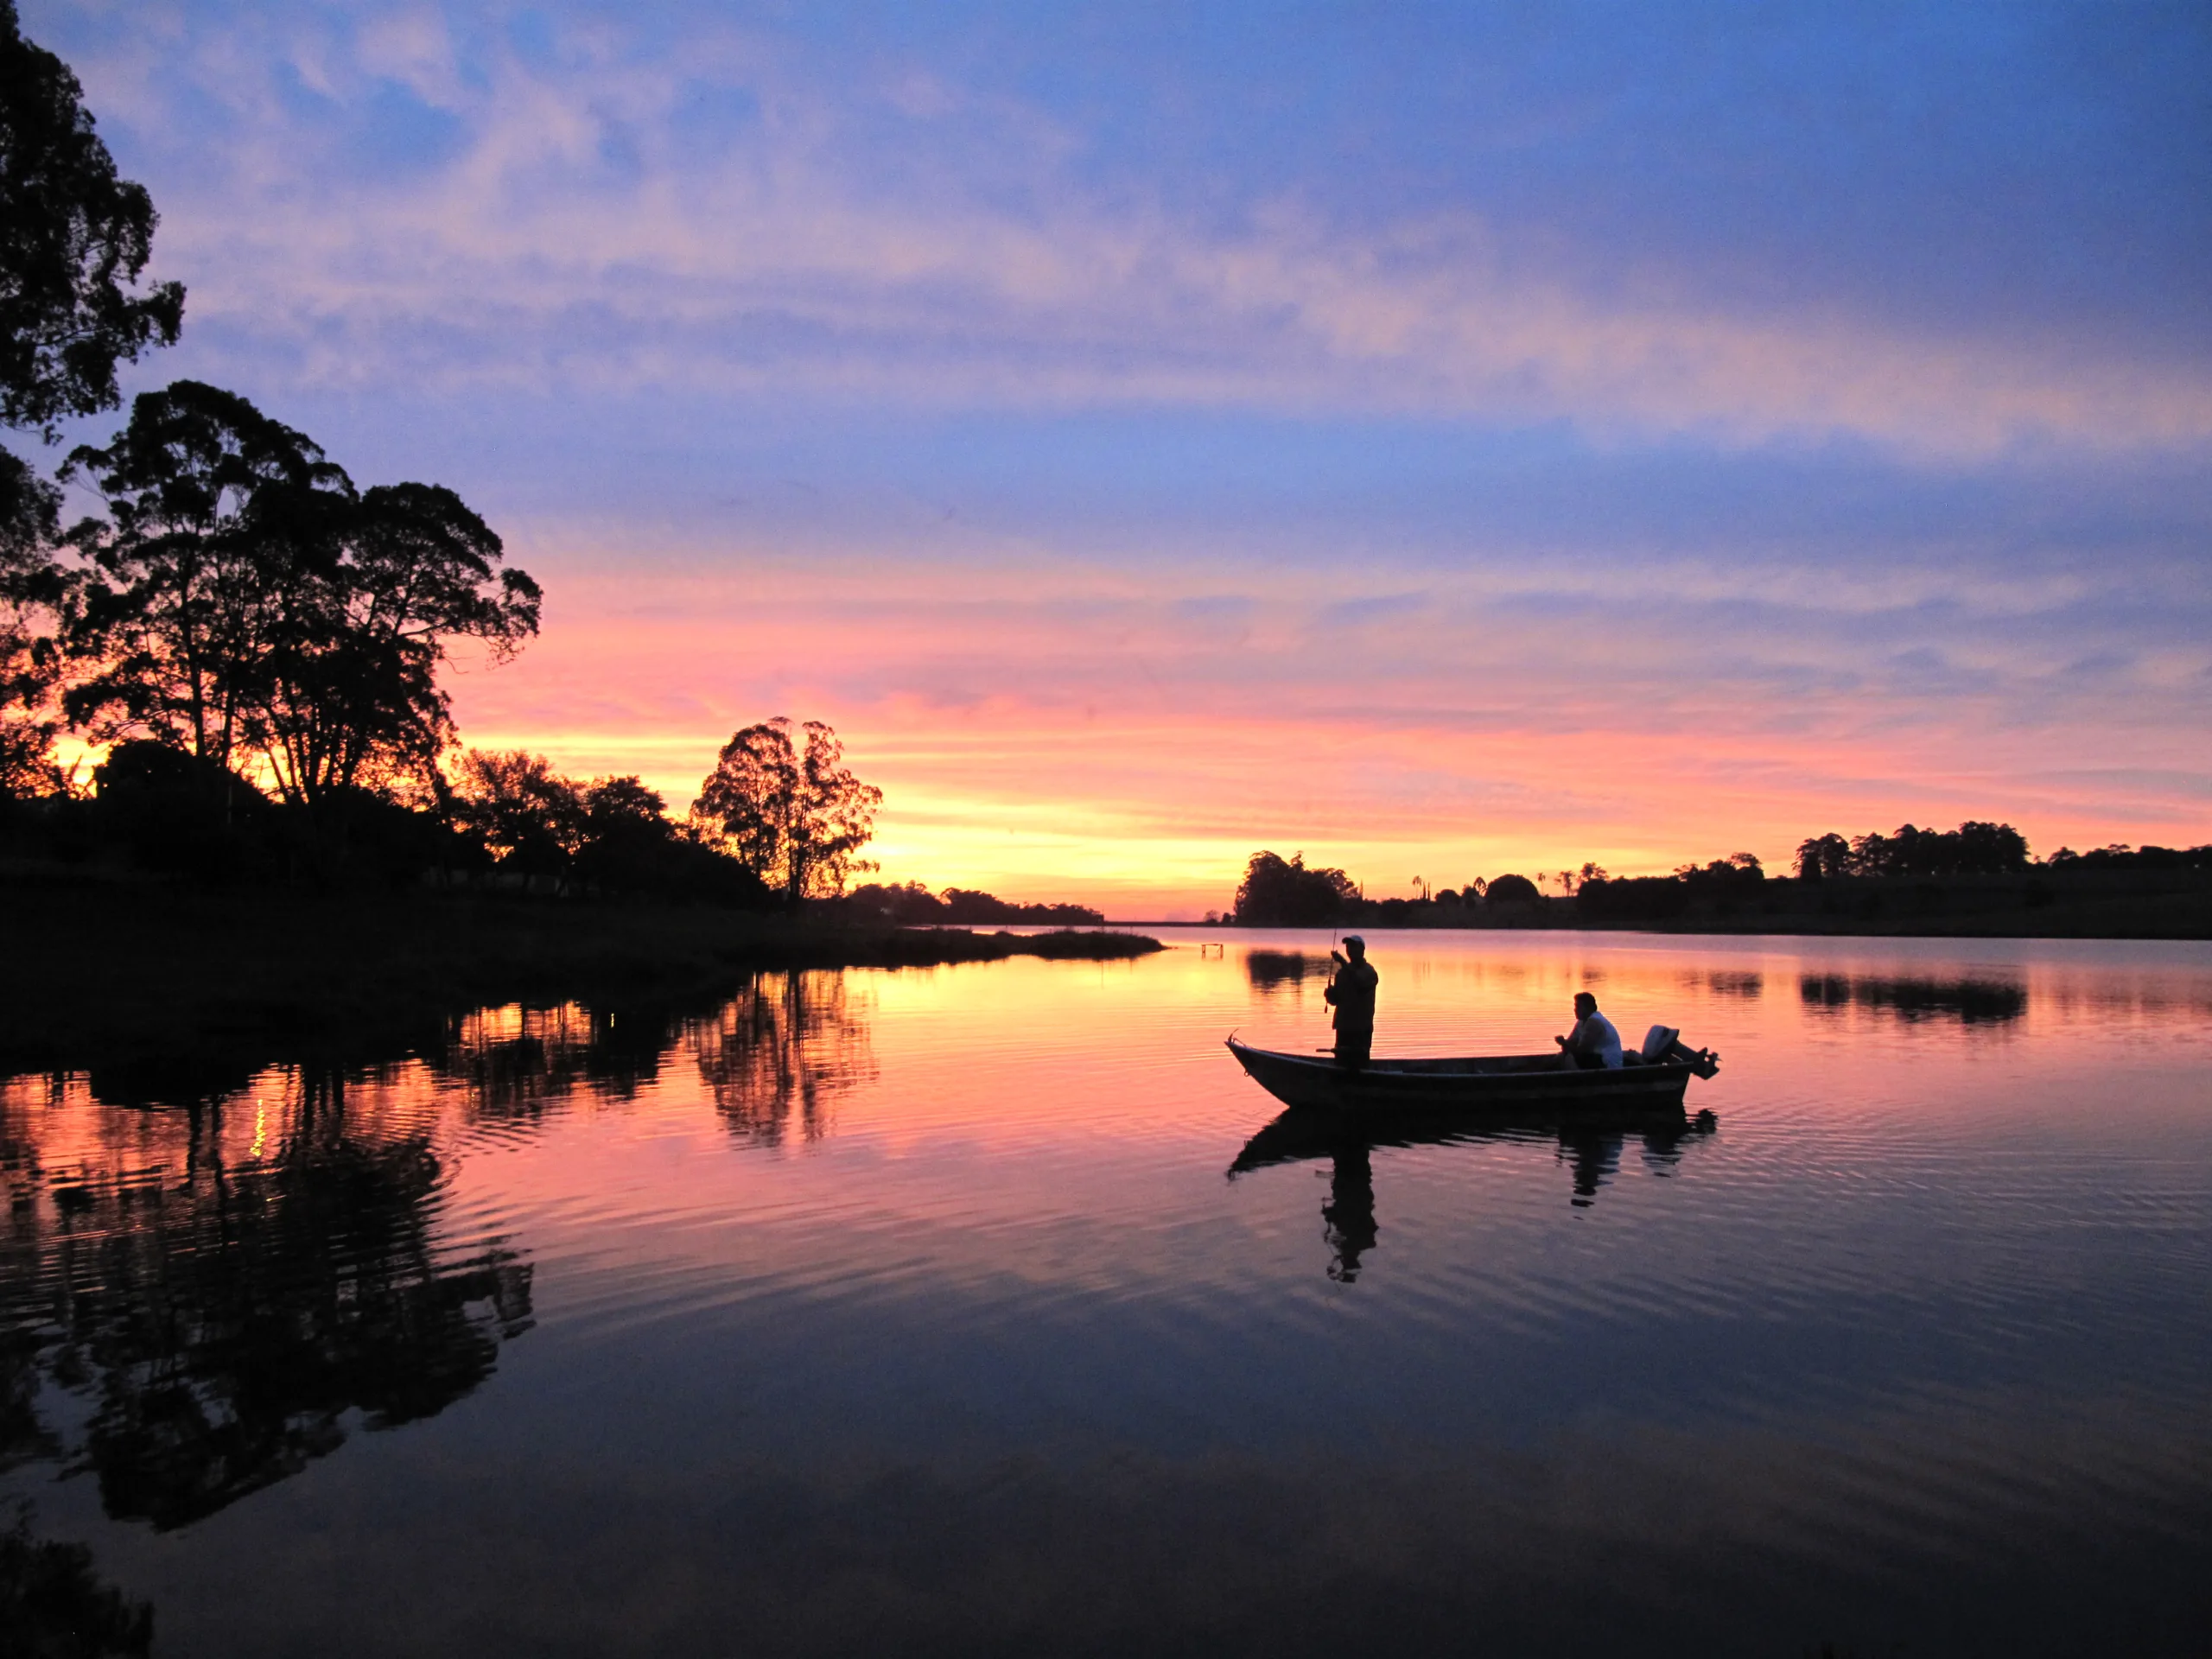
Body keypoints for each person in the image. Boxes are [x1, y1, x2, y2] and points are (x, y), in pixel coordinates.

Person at [1324, 936, 1378, 1068]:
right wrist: (1329, 996)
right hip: (1343, 1027)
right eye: (1348, 947)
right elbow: (1336, 1000)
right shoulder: (1342, 973)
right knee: (1341, 1064)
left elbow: (1361, 985)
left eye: (1354, 946)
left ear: (1362, 950)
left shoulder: (1369, 972)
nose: (1350, 950)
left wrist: (1342, 962)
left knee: (1360, 1065)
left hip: (1360, 1029)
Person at [1554, 990, 1623, 1069]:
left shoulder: (1594, 1022)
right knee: (1561, 1057)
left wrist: (1564, 1043)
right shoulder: (1581, 1022)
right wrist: (1565, 1044)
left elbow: (1583, 1051)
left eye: (1579, 1007)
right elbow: (1571, 1043)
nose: (1575, 1009)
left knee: (1569, 1058)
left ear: (1588, 1008)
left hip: (1607, 1064)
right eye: (1575, 1006)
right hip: (1595, 1059)